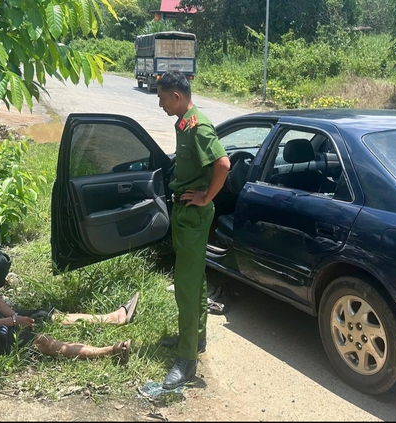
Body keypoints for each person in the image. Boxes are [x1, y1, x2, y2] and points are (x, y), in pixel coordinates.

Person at [0, 209, 139, 361]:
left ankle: (113, 318)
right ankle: (109, 352)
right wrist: (11, 322)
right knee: (41, 341)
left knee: (45, 315)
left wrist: (14, 316)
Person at [155, 70, 231, 389]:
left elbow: (223, 164)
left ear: (176, 96)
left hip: (193, 216)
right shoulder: (184, 123)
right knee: (195, 280)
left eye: (162, 98)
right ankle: (195, 339)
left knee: (185, 286)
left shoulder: (199, 126)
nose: (160, 104)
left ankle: (187, 362)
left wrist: (205, 197)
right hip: (185, 214)